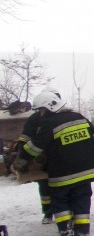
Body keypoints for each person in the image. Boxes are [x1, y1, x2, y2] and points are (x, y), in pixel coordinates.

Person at [13, 90, 94, 236]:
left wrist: (20, 161)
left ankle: (65, 231)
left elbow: (35, 148)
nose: (40, 114)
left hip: (62, 173)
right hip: (86, 171)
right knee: (82, 199)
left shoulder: (49, 124)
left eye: (41, 110)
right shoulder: (79, 117)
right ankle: (81, 232)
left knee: (60, 201)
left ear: (49, 108)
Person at [15, 87, 61, 225]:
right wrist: (21, 154)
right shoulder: (35, 119)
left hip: (60, 157)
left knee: (63, 186)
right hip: (41, 158)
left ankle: (65, 211)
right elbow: (26, 136)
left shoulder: (64, 116)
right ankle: (48, 212)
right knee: (44, 185)